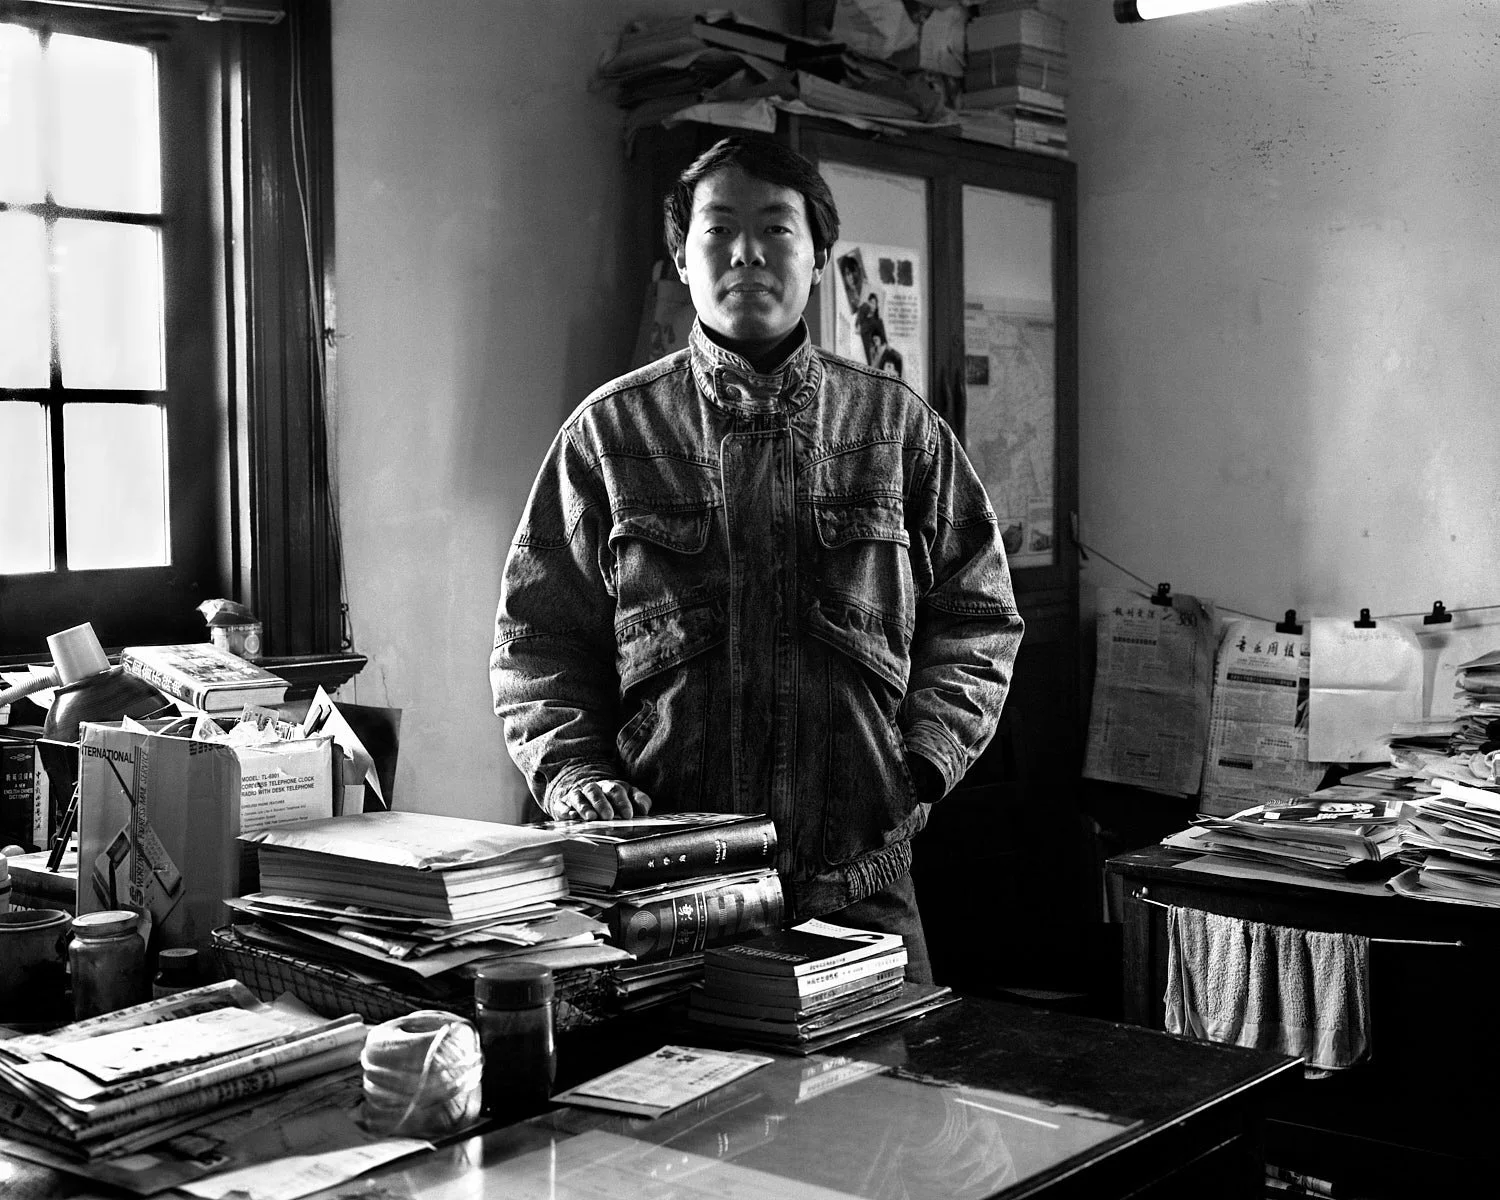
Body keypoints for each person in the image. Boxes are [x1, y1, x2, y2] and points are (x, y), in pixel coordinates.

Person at [491, 137, 1022, 983]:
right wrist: (578, 775)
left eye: (777, 229)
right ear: (681, 255)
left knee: (882, 1110)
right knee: (663, 1111)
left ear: (818, 256)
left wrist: (921, 758)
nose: (747, 253)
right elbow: (539, 642)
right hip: (659, 896)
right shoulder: (609, 434)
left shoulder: (897, 428)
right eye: (719, 229)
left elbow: (979, 614)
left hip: (858, 891)